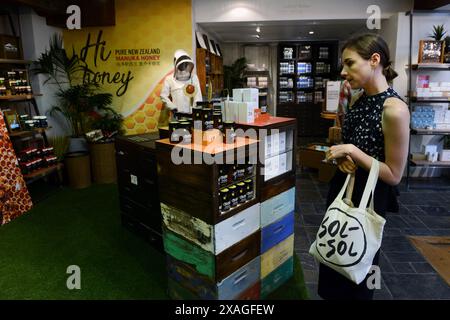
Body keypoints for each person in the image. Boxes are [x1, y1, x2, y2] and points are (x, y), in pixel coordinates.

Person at [318, 33, 410, 300]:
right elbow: (350, 146)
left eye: (349, 63)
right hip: (342, 187)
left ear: (374, 60)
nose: (343, 72)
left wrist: (352, 151)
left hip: (369, 197)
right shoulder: (358, 100)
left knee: (356, 269)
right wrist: (343, 156)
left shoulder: (394, 110)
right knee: (332, 258)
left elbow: (394, 174)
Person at [160, 49, 203, 120]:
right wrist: (172, 107)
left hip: (192, 115)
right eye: (181, 65)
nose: (183, 66)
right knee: (177, 130)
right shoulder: (169, 79)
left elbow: (198, 97)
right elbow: (163, 95)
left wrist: (196, 111)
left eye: (184, 64)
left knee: (193, 131)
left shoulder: (194, 78)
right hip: (177, 116)